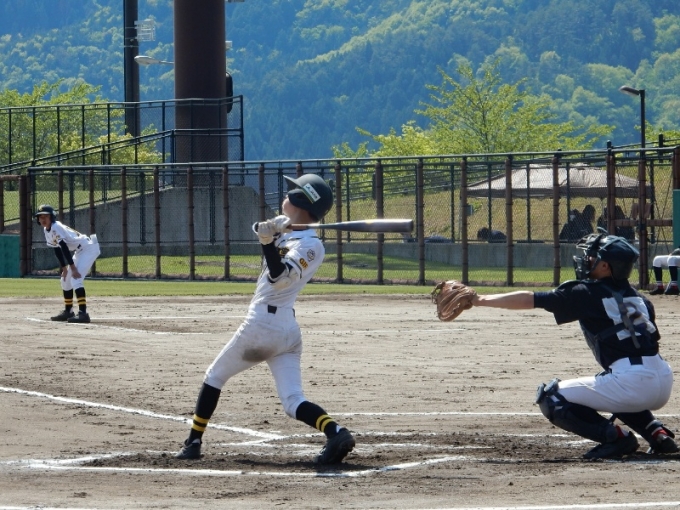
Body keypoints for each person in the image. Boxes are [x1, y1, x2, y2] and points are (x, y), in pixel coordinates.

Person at [175, 174, 356, 464]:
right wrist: (272, 229)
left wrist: (267, 240)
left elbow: (279, 277)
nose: (285, 196)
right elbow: (262, 231)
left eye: (291, 193)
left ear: (301, 201)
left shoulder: (311, 246)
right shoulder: (292, 234)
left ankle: (193, 443)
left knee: (214, 377)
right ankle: (336, 432)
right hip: (286, 332)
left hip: (262, 327)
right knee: (292, 401)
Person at [469, 232, 678, 459]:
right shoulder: (640, 299)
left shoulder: (586, 292)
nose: (587, 259)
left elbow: (530, 298)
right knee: (609, 383)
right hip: (662, 379)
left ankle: (615, 438)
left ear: (605, 266)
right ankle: (656, 432)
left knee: (550, 397)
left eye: (593, 256)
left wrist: (480, 300)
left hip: (632, 383)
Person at [34, 204, 100, 323]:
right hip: (80, 251)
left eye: (46, 216)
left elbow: (64, 247)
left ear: (51, 217)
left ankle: (83, 314)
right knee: (65, 280)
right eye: (40, 217)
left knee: (75, 279)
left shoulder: (56, 226)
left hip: (88, 248)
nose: (43, 219)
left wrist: (73, 268)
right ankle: (68, 311)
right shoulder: (47, 230)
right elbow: (57, 249)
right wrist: (64, 269)